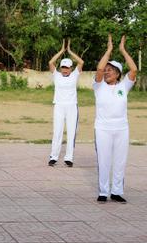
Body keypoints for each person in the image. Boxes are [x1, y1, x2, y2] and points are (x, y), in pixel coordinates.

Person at [93, 34, 137, 203]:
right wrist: (109, 50)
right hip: (103, 128)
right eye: (106, 69)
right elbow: (98, 69)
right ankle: (103, 191)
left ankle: (117, 191)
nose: (106, 71)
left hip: (122, 128)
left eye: (111, 70)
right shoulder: (98, 86)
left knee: (120, 161)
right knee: (104, 161)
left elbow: (133, 70)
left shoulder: (124, 86)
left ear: (118, 74)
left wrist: (122, 50)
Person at [48, 38, 84, 167]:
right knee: (57, 131)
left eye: (67, 67)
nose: (65, 69)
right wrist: (61, 51)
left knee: (71, 132)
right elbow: (51, 62)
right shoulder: (56, 75)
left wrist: (70, 51)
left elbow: (81, 62)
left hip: (72, 107)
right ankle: (54, 156)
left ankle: (69, 158)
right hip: (58, 106)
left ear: (71, 68)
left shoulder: (75, 75)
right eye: (63, 67)